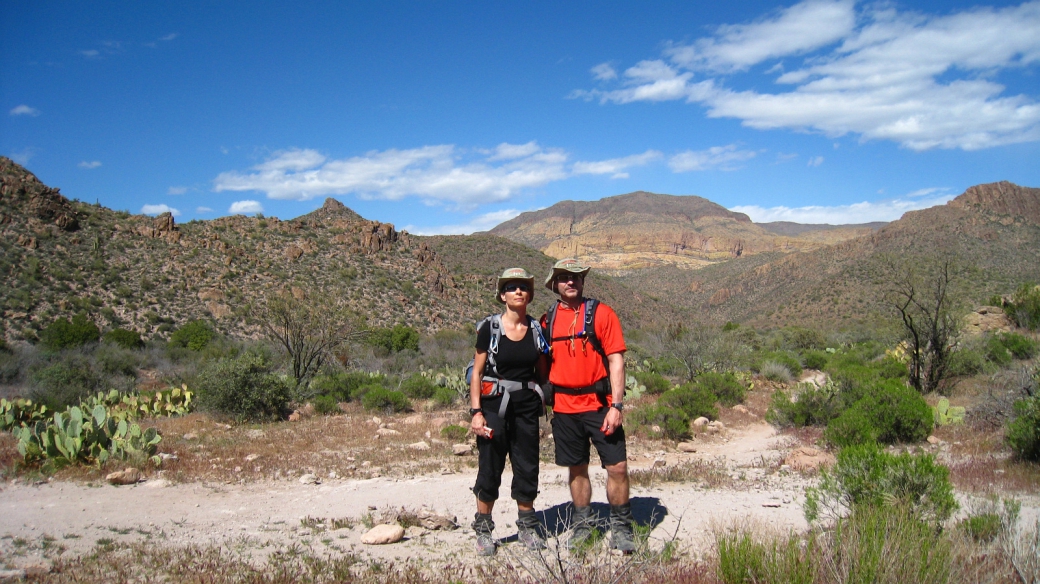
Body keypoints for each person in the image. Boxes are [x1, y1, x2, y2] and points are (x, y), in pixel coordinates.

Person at [540, 258, 636, 553]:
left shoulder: (602, 314)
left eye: (577, 277)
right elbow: (541, 364)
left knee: (617, 467)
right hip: (565, 409)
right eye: (565, 278)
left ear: (583, 282)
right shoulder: (548, 321)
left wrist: (617, 405)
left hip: (599, 406)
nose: (571, 282)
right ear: (555, 284)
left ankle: (621, 527)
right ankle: (583, 524)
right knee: (577, 469)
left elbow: (616, 360)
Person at [469, 267, 550, 556]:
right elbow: (477, 373)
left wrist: (545, 399)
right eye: (512, 287)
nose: (518, 291)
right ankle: (483, 529)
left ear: (529, 295)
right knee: (489, 467)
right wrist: (476, 413)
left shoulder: (537, 330)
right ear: (502, 295)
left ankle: (527, 526)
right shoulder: (488, 329)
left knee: (527, 467)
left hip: (526, 408)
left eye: (523, 287)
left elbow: (542, 372)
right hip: (494, 408)